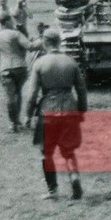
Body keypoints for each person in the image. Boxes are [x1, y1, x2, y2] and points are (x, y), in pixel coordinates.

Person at [22, 29, 88, 201]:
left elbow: (32, 94)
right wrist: (81, 111)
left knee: (46, 152)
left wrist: (28, 115)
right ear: (59, 42)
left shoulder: (40, 63)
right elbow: (81, 89)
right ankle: (74, 177)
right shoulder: (70, 61)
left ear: (45, 43)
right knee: (69, 150)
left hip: (48, 110)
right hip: (69, 108)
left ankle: (53, 190)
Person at [0, 15, 41, 132]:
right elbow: (30, 46)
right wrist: (43, 40)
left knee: (10, 96)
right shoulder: (16, 34)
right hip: (20, 67)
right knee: (18, 93)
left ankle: (13, 123)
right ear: (6, 22)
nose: (13, 23)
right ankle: (17, 121)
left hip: (5, 69)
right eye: (11, 21)